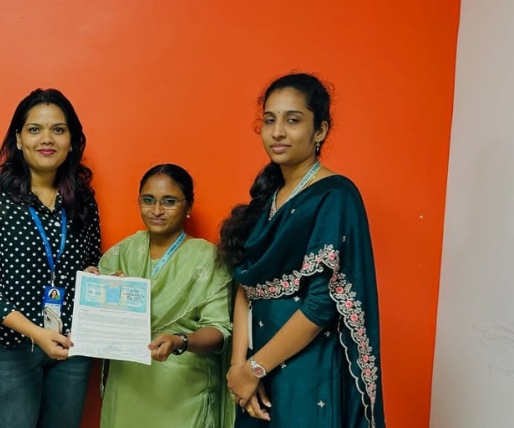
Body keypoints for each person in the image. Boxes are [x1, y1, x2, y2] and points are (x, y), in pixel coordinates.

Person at [219, 73, 386, 428]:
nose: (277, 131)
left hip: (306, 370)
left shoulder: (335, 195)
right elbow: (246, 285)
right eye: (269, 120)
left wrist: (255, 366)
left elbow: (322, 302)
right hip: (255, 375)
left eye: (292, 120)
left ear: (320, 130)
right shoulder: (267, 200)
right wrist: (238, 370)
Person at [0, 88, 101, 428]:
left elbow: (90, 262)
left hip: (70, 348)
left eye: (58, 129)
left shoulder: (82, 198)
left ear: (71, 140)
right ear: (19, 139)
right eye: (35, 129)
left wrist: (102, 279)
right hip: (7, 350)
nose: (47, 139)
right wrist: (36, 333)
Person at [98, 164, 234, 428]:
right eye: (148, 200)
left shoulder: (207, 259)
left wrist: (180, 341)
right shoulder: (122, 253)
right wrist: (98, 285)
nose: (156, 211)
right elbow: (98, 324)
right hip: (126, 383)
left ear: (188, 205)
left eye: (169, 202)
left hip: (182, 390)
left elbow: (219, 332)